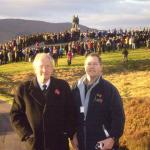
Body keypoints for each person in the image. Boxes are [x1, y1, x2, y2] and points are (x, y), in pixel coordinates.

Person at [10, 53, 77, 150]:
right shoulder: (23, 89)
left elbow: (71, 112)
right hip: (35, 144)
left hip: (59, 144)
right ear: (35, 69)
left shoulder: (63, 86)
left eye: (48, 66)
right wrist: (28, 135)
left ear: (52, 68)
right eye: (41, 66)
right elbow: (15, 115)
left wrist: (67, 132)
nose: (45, 70)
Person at [71, 53, 125, 150]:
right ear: (84, 66)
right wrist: (73, 134)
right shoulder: (75, 88)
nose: (92, 67)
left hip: (103, 143)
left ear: (101, 67)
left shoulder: (110, 90)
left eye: (95, 64)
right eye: (89, 64)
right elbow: (71, 114)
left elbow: (119, 116)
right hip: (81, 143)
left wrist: (113, 138)